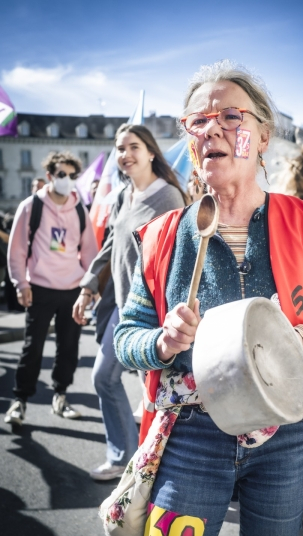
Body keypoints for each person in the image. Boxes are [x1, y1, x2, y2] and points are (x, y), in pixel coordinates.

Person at [112, 60, 303, 536]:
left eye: (231, 115)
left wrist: (301, 342)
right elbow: (126, 337)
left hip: (285, 438)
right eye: (198, 121)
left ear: (264, 136)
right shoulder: (161, 235)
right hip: (192, 438)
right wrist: (161, 341)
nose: (212, 130)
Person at [72, 124, 186, 481]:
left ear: (151, 151)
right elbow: (111, 246)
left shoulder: (168, 197)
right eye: (119, 148)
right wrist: (88, 285)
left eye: (133, 146)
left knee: (152, 391)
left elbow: (178, 258)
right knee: (117, 382)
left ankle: (157, 466)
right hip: (120, 305)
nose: (125, 154)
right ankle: (128, 459)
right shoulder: (123, 195)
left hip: (153, 312)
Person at [4, 152, 98, 426]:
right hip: (39, 288)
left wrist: (89, 289)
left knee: (68, 348)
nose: (66, 180)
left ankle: (60, 396)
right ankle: (19, 400)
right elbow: (17, 249)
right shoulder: (31, 206)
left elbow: (90, 253)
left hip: (71, 289)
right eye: (61, 175)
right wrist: (21, 283)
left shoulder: (81, 209)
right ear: (49, 176)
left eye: (71, 175)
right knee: (32, 347)